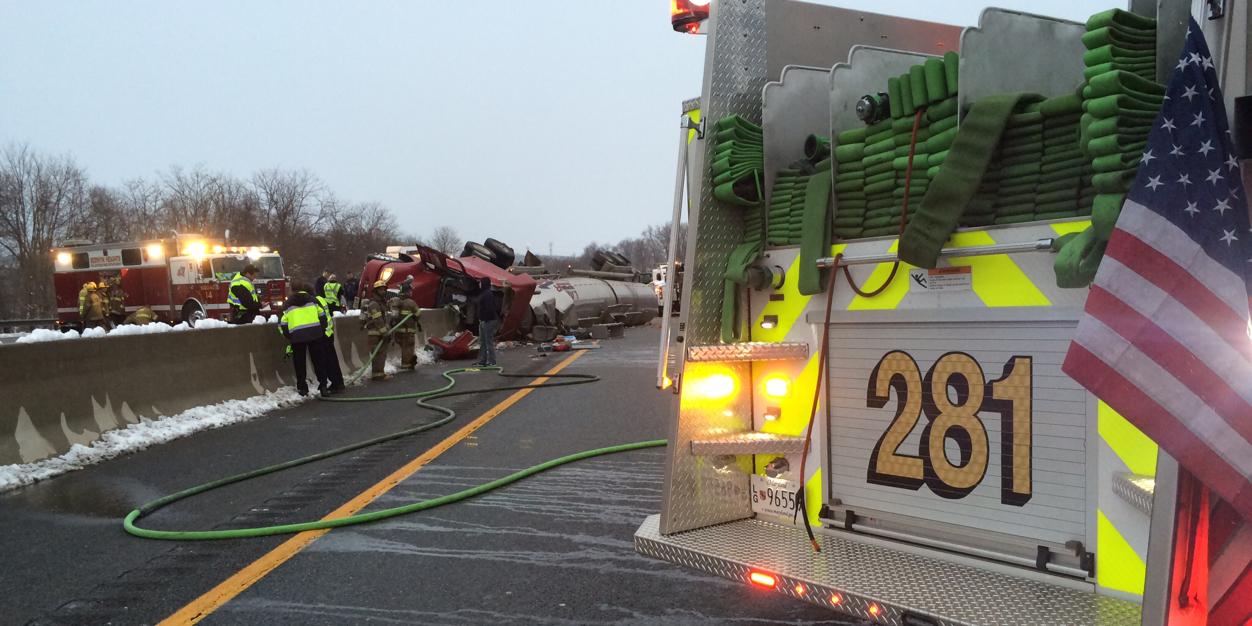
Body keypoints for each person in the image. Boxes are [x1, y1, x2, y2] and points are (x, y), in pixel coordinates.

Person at [279, 283, 330, 396]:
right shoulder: (313, 300)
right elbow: (322, 316)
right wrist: (320, 330)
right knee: (318, 361)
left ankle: (302, 388)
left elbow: (283, 323)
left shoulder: (287, 304)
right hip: (315, 334)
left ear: (292, 291)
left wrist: (289, 336)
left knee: (299, 363)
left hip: (297, 337)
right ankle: (323, 386)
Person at [314, 291, 346, 393]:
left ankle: (336, 383)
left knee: (327, 362)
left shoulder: (313, 302)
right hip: (328, 332)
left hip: (323, 335)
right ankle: (339, 382)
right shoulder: (320, 299)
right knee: (333, 360)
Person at [361, 279, 393, 381]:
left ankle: (378, 373)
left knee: (379, 354)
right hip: (376, 334)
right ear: (375, 291)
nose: (383, 291)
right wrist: (385, 333)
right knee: (379, 354)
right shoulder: (374, 304)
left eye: (384, 289)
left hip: (379, 333)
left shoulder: (381, 303)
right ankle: (378, 375)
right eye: (381, 290)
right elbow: (378, 320)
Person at [389, 293, 422, 370]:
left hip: (398, 332)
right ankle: (406, 365)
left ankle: (409, 360)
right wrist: (414, 316)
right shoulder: (410, 302)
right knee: (407, 348)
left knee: (405, 348)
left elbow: (393, 317)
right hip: (408, 331)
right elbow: (418, 314)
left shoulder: (396, 302)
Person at [472, 277, 501, 367]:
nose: (479, 284)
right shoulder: (484, 293)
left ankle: (492, 361)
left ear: (484, 283)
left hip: (488, 320)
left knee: (488, 341)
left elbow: (489, 308)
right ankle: (483, 360)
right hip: (483, 320)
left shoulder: (488, 294)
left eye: (480, 282)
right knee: (482, 341)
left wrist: (485, 319)